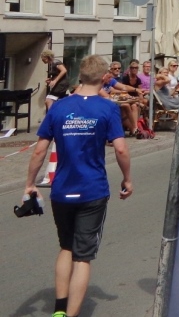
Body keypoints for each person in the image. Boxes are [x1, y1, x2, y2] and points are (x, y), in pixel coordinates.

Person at [24, 54, 132, 317]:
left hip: (62, 189)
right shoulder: (107, 108)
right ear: (105, 77)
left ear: (80, 76)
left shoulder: (59, 107)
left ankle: (59, 311)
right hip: (93, 189)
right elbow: (120, 149)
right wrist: (127, 179)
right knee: (82, 256)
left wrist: (29, 184)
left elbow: (39, 150)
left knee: (66, 247)